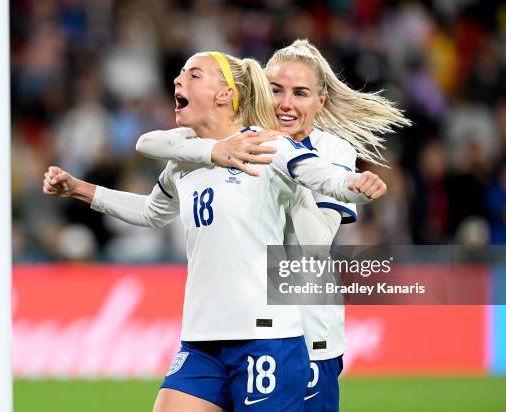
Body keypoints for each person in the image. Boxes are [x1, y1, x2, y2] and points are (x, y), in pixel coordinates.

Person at [43, 50, 387, 412]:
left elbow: (326, 180)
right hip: (202, 338)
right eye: (276, 90)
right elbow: (150, 209)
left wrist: (355, 184)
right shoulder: (185, 160)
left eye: (193, 75)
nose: (178, 80)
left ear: (225, 94)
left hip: (268, 337)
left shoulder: (269, 146)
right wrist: (80, 189)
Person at [134, 39, 411, 412]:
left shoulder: (331, 151)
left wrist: (292, 174)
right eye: (276, 90)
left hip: (309, 332)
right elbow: (157, 144)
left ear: (320, 102)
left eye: (300, 93)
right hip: (237, 328)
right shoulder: (243, 141)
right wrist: (213, 150)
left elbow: (313, 242)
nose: (285, 103)